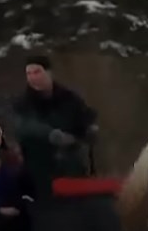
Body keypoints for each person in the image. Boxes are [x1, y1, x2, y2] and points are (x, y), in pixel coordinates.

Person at [10, 55, 98, 192]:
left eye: (37, 72)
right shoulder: (22, 103)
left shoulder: (69, 97)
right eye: (29, 74)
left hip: (71, 166)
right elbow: (24, 126)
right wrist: (50, 134)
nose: (33, 77)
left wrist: (89, 128)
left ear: (49, 72)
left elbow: (84, 116)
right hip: (38, 169)